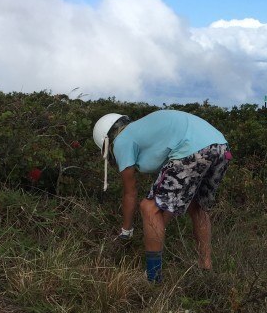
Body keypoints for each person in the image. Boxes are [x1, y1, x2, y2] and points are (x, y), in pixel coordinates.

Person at [92, 110, 230, 282]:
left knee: (148, 207)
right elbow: (173, 195)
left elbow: (130, 192)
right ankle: (206, 267)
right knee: (197, 206)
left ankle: (152, 279)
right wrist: (160, 223)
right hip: (221, 147)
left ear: (106, 141)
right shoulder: (141, 130)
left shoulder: (121, 140)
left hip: (191, 149)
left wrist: (126, 231)